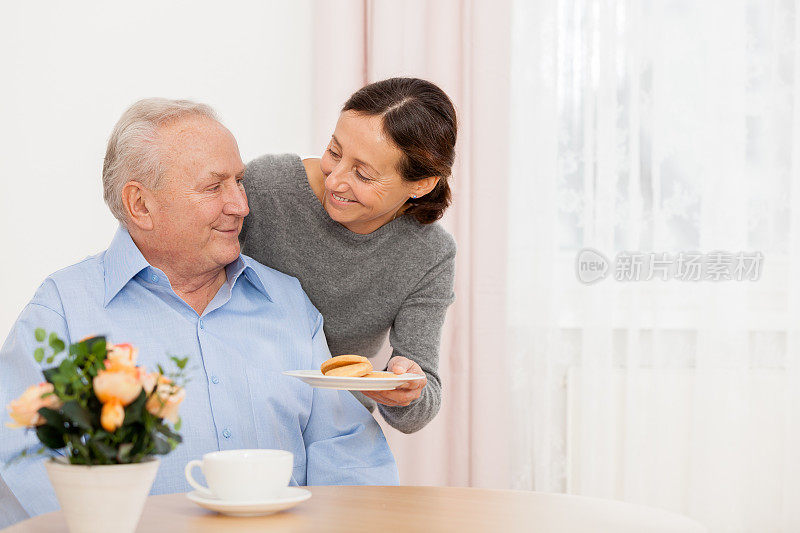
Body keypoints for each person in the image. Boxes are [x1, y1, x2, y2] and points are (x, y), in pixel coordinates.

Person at [0, 98, 397, 527]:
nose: (241, 205)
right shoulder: (62, 310)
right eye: (214, 187)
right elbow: (22, 462)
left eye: (239, 182)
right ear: (141, 205)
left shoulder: (288, 302)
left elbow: (347, 451)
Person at [241, 78, 458, 434]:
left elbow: (422, 399)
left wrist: (404, 387)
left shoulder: (429, 254)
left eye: (363, 173)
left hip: (335, 424)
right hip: (246, 408)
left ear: (421, 184)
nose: (335, 181)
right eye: (334, 152)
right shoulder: (267, 188)